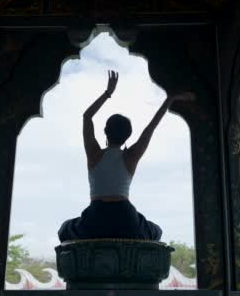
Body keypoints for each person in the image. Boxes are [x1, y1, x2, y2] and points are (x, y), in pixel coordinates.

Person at [57, 70, 195, 242]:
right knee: (156, 231)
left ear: (105, 131)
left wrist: (108, 93)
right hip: (126, 219)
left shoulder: (94, 153)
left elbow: (87, 116)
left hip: (94, 218)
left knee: (64, 229)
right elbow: (151, 127)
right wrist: (170, 99)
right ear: (128, 135)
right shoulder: (131, 156)